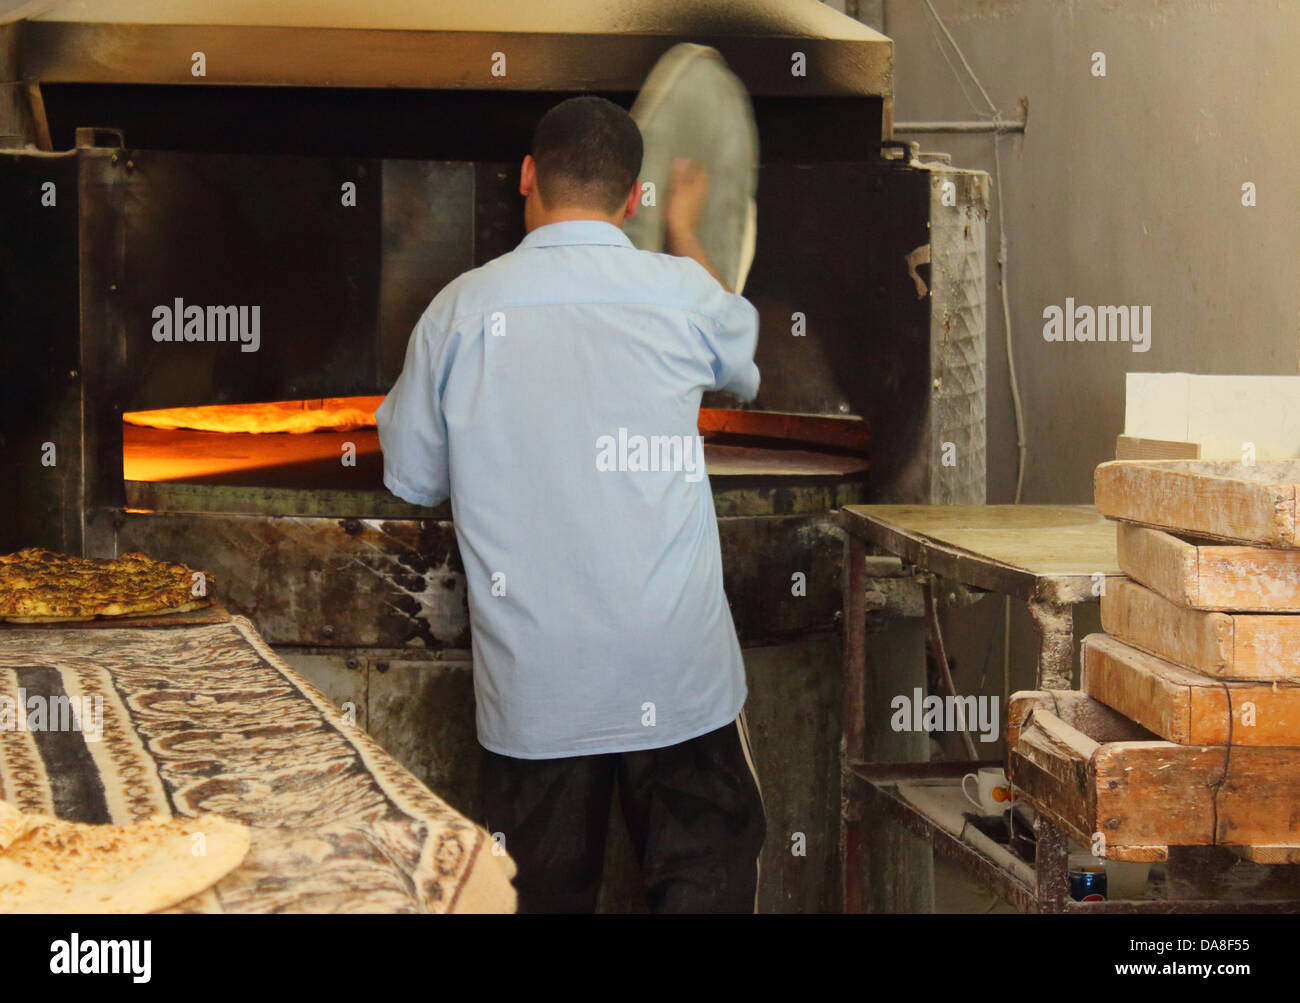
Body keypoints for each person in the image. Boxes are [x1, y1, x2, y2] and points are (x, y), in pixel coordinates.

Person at [375, 95, 765, 913]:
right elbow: (740, 362)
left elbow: (410, 476)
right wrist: (688, 230)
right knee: (706, 888)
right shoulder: (683, 295)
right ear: (633, 199)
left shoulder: (458, 312)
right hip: (678, 672)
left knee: (543, 899)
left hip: (538, 691)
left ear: (526, 176)